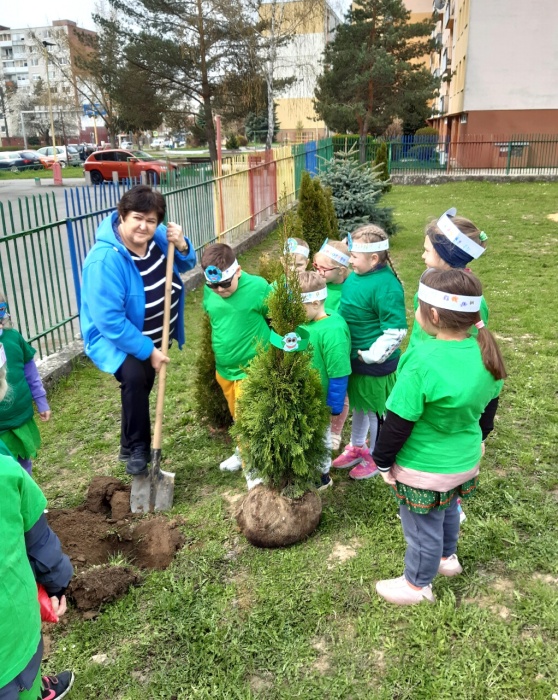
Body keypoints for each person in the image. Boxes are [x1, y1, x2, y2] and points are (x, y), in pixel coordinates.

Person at [372, 269, 506, 605]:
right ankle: (448, 560)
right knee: (447, 509)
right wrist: (481, 438)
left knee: (422, 527)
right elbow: (489, 408)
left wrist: (383, 462)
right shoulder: (486, 352)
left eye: (416, 306)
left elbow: (399, 421)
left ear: (432, 315)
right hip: (463, 460)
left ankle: (417, 586)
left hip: (424, 467)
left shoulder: (421, 360)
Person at [80, 185, 196, 476]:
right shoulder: (104, 260)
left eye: (151, 220)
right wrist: (149, 351)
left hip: (154, 334)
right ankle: (138, 449)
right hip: (115, 337)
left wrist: (181, 244)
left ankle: (126, 443)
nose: (144, 226)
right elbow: (110, 321)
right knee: (135, 377)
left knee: (142, 384)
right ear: (122, 215)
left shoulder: (156, 238)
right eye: (137, 218)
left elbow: (187, 262)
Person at [0, 346, 75, 700]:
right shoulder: (7, 474)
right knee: (20, 682)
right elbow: (38, 541)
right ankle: (33, 688)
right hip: (10, 644)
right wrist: (57, 583)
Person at [333, 226, 407, 480]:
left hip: (374, 364)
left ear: (374, 258)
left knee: (376, 411)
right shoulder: (357, 275)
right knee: (360, 406)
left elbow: (395, 331)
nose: (349, 260)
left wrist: (371, 356)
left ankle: (377, 455)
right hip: (355, 359)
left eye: (353, 256)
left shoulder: (387, 286)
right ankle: (357, 446)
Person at [201, 243, 271, 477]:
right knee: (236, 415)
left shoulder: (258, 287)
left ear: (238, 271)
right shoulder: (209, 290)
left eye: (224, 284)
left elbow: (274, 316)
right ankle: (244, 453)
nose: (219, 290)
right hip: (225, 370)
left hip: (251, 367)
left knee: (246, 417)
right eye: (213, 285)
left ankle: (254, 468)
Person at [407, 207, 489, 352]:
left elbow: (468, 349)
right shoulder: (427, 289)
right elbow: (417, 336)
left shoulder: (473, 302)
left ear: (445, 255)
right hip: (418, 364)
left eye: (427, 251)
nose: (422, 256)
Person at [298, 272, 352, 490]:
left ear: (315, 302)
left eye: (298, 306)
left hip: (321, 400)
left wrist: (335, 405)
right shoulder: (308, 321)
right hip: (305, 394)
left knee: (321, 437)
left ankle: (322, 475)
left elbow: (339, 372)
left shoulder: (333, 330)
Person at [0, 294, 50, 474]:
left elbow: (31, 373)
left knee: (23, 467)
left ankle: (26, 499)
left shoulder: (13, 337)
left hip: (20, 418)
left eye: (1, 310)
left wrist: (41, 400)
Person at [312, 239, 351, 449]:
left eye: (323, 269)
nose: (318, 272)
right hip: (320, 348)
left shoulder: (349, 291)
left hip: (338, 349)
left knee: (341, 394)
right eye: (315, 266)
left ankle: (335, 430)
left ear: (341, 270)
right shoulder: (320, 286)